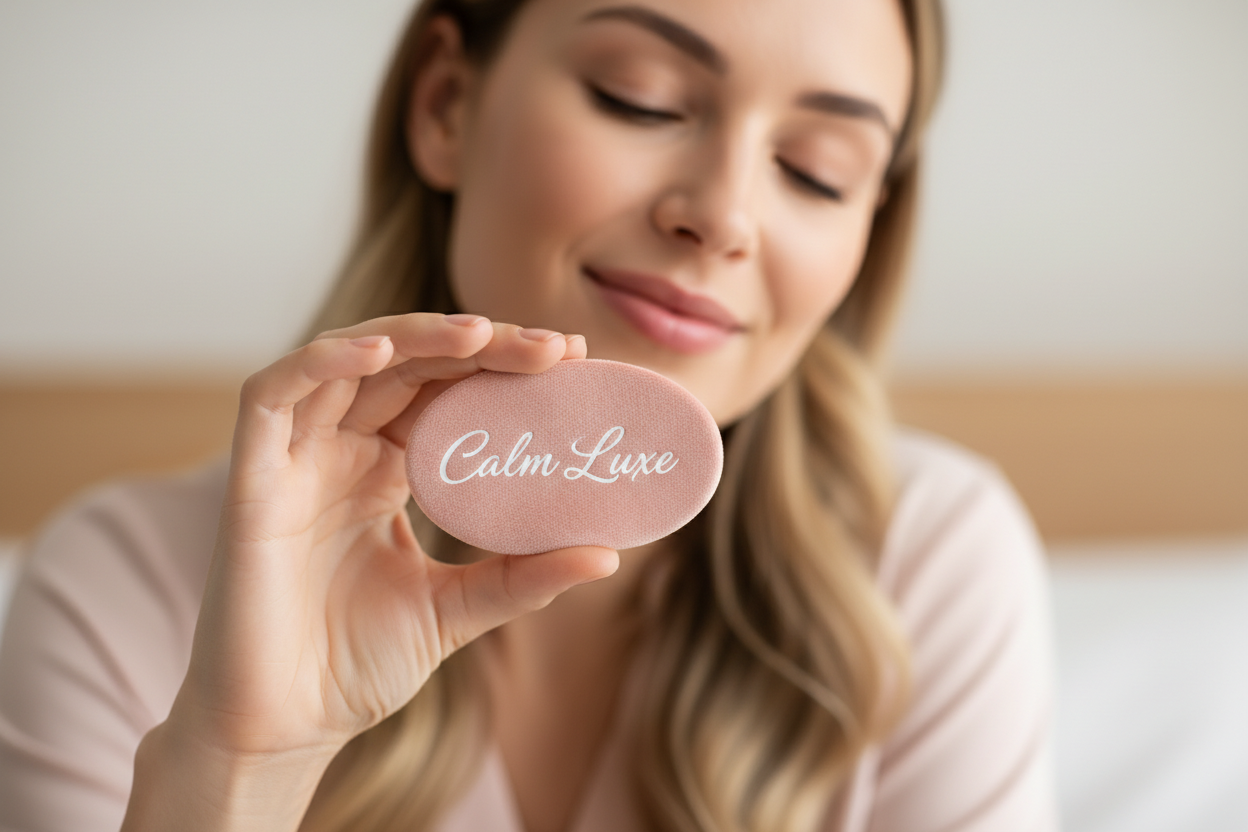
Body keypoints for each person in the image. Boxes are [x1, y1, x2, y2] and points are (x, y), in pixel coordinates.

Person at [0, 0, 1058, 830]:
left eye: (816, 172)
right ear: (446, 106)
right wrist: (240, 764)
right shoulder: (123, 586)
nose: (725, 214)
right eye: (639, 97)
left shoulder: (923, 563)